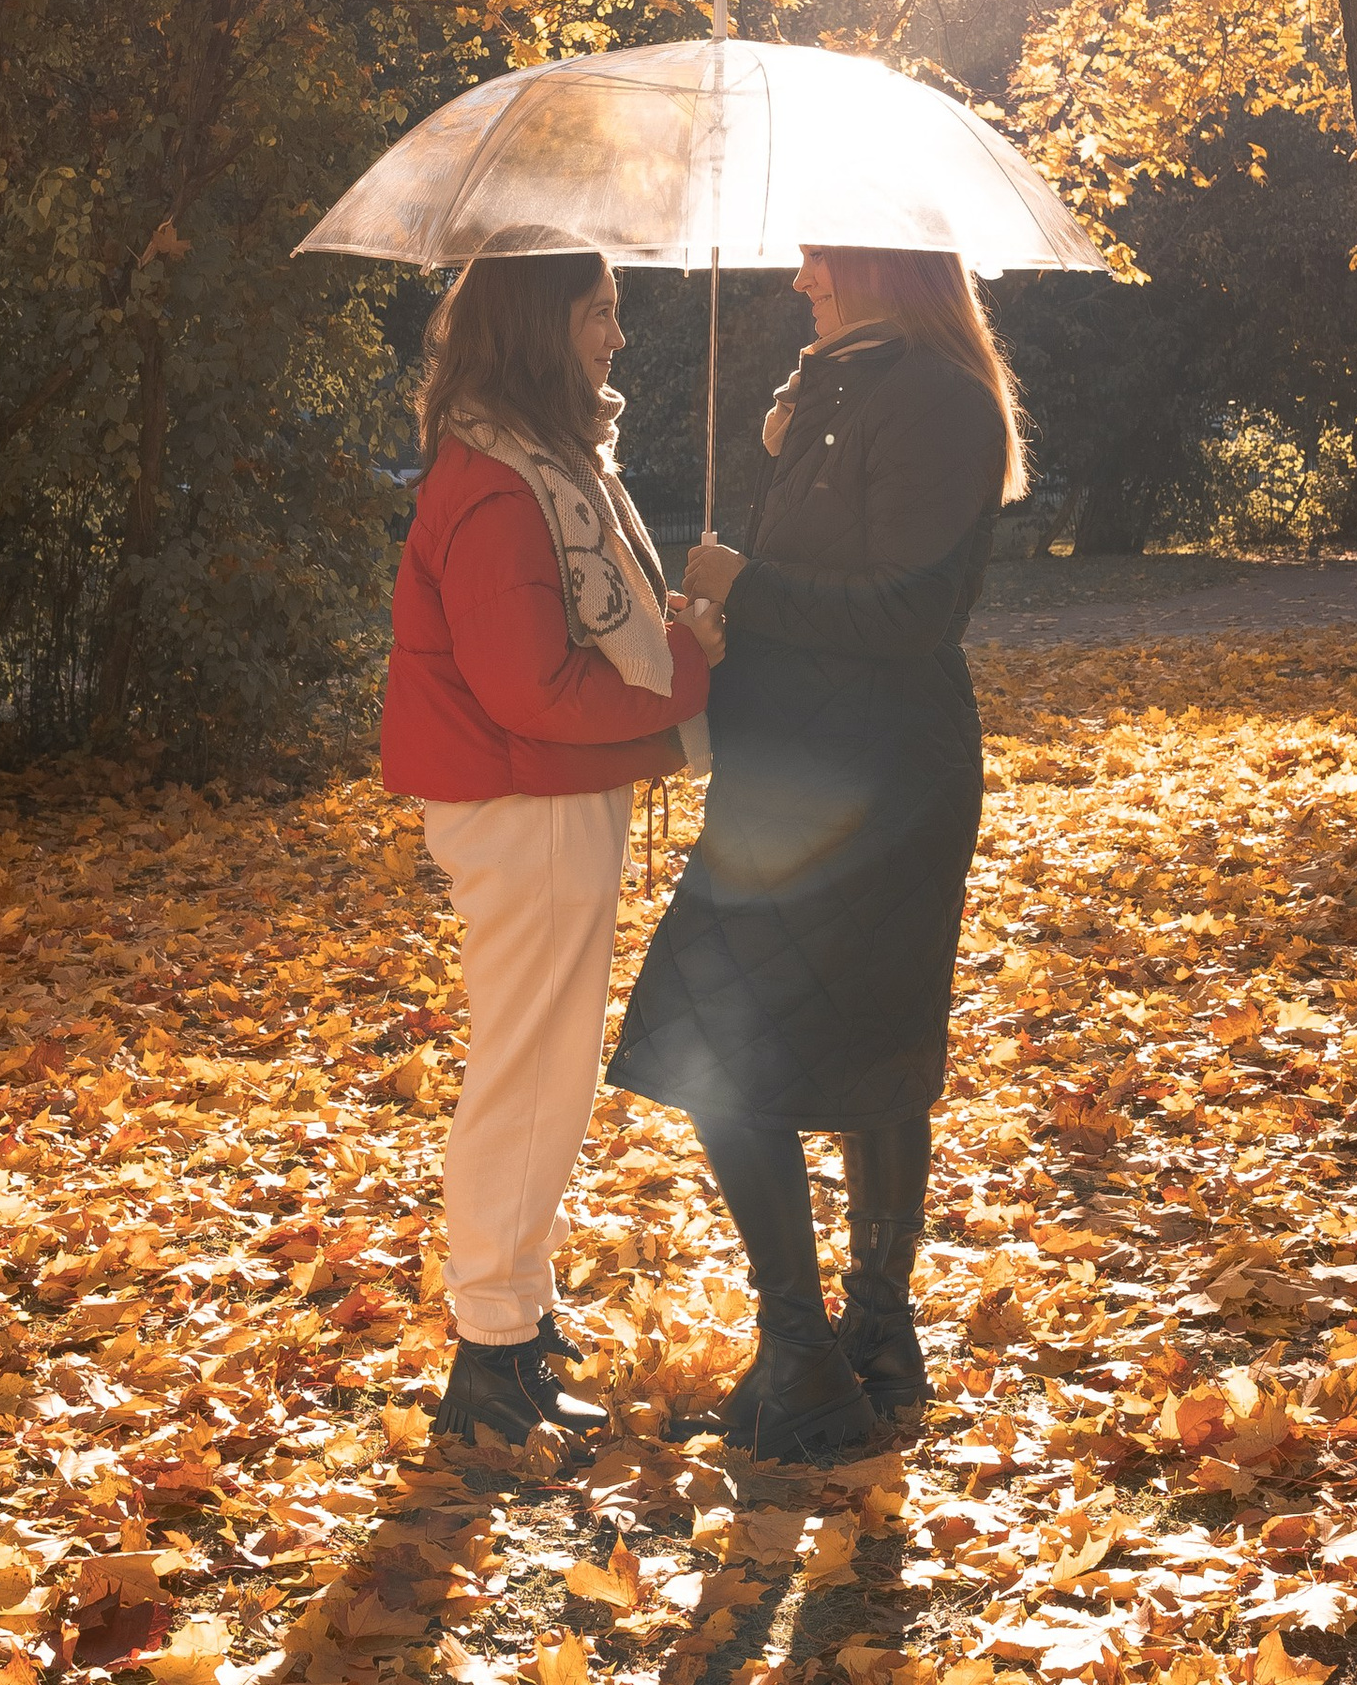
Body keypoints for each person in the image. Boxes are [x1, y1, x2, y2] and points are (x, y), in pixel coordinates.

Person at [605, 242, 1026, 1462]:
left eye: (818, 262)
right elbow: (823, 579)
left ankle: (816, 1352)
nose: (799, 284)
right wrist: (722, 609)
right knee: (799, 1045)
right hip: (795, 774)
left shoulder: (939, 399)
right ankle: (862, 1349)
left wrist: (746, 584)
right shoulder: (835, 390)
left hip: (876, 782)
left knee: (752, 1045)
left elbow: (912, 612)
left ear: (883, 264)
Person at [382, 247, 722, 1450]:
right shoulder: (497, 483)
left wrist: (671, 631)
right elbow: (528, 687)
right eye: (599, 314)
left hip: (540, 798)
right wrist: (686, 669)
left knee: (544, 1069)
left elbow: (561, 644)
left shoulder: (537, 462)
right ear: (540, 323)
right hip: (521, 804)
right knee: (531, 1074)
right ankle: (492, 1353)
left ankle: (514, 1322)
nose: (617, 338)